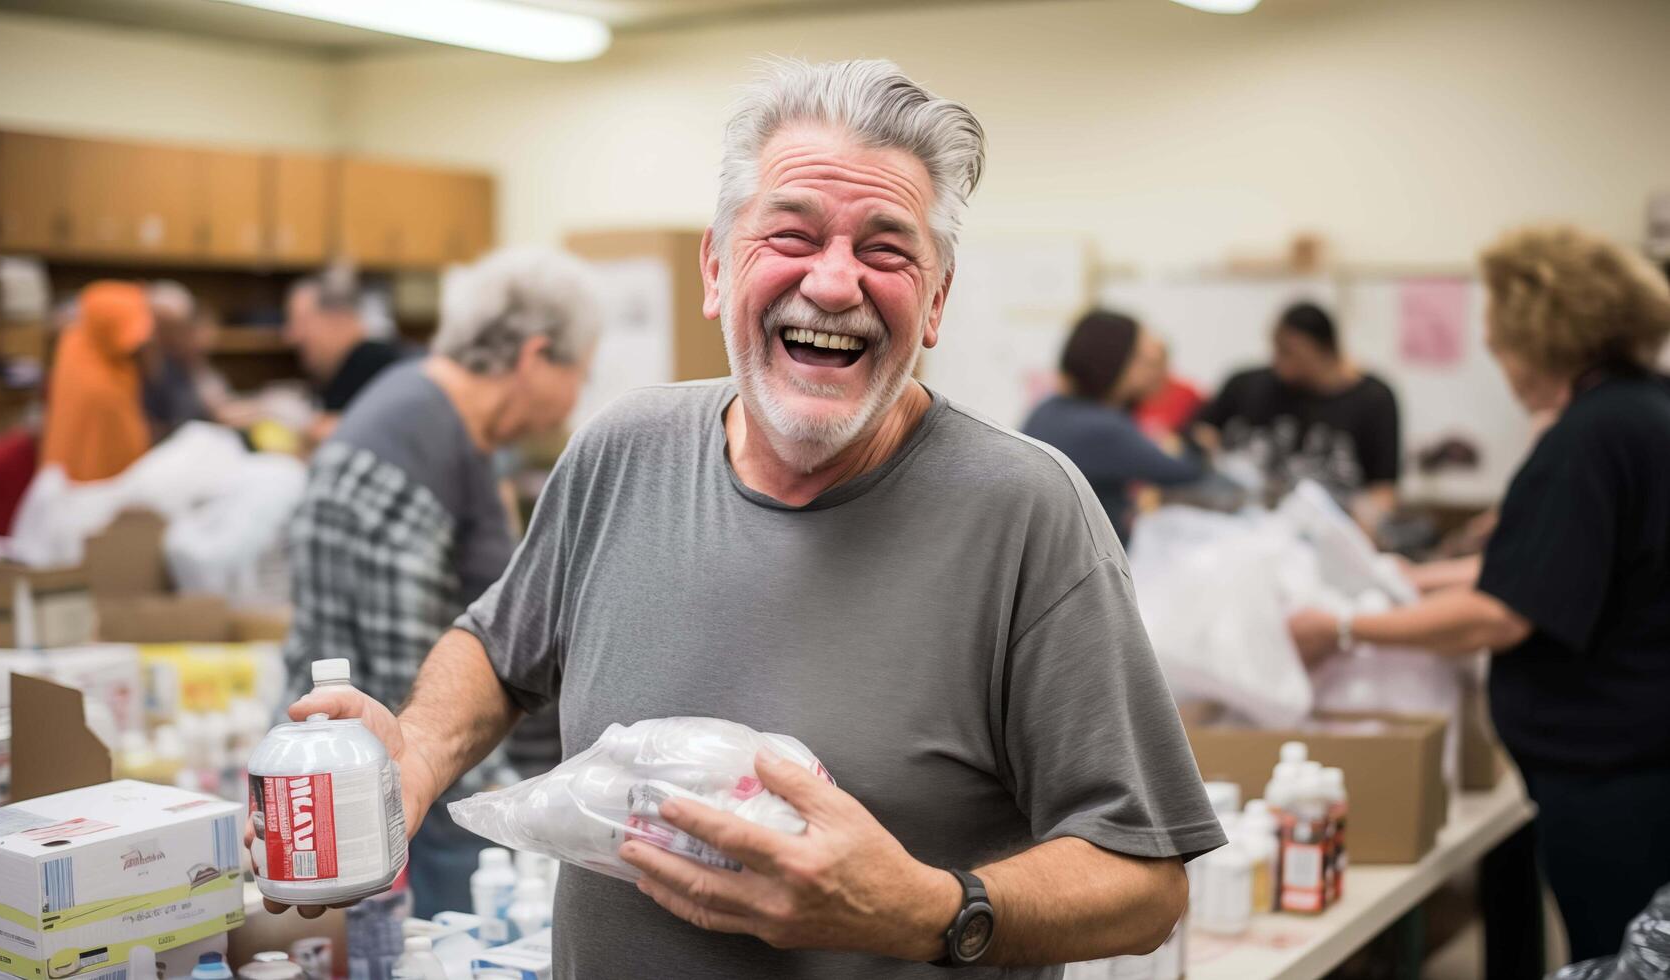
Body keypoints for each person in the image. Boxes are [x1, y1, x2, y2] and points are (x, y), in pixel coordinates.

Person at [265, 59, 1223, 977]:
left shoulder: (1027, 513)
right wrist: (421, 749)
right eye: (793, 236)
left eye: (885, 249)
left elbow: (1143, 880)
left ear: (934, 299)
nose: (835, 283)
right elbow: (498, 648)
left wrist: (931, 911)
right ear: (717, 268)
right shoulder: (623, 449)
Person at [1289, 224, 1670, 963]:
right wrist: (1412, 579)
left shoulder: (1591, 436)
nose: (1497, 364)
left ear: (1544, 331)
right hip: (1637, 748)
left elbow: (1501, 613)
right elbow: (1558, 566)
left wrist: (1341, 625)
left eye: (1497, 343)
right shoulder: (1640, 409)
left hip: (1611, 769)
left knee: (1616, 948)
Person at [280, 246, 602, 918]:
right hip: (409, 815)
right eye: (580, 371)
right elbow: (415, 705)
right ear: (535, 356)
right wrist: (524, 843)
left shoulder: (461, 437)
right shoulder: (405, 447)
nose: (578, 396)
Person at [1195, 300, 1401, 514]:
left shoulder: (1373, 400)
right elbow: (1201, 434)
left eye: (1288, 352)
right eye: (1276, 348)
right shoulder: (1246, 386)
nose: (1278, 361)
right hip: (1240, 518)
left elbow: (1383, 490)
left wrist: (1366, 521)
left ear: (1325, 350)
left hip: (1323, 526)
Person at [1023, 309, 1204, 543]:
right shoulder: (1102, 427)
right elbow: (1186, 471)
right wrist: (1193, 444)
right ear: (1115, 361)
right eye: (1145, 360)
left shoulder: (1048, 408)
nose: (1159, 373)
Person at [40, 280, 154, 482]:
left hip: (63, 483)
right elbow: (126, 457)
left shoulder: (76, 342)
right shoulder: (103, 389)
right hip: (91, 491)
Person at [284, 265, 398, 445]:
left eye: (302, 322)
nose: (291, 336)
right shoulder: (344, 365)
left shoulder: (373, 361)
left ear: (338, 317)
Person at [140, 280, 212, 437]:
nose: (175, 336)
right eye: (166, 327)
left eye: (180, 327)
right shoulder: (145, 363)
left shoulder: (185, 360)